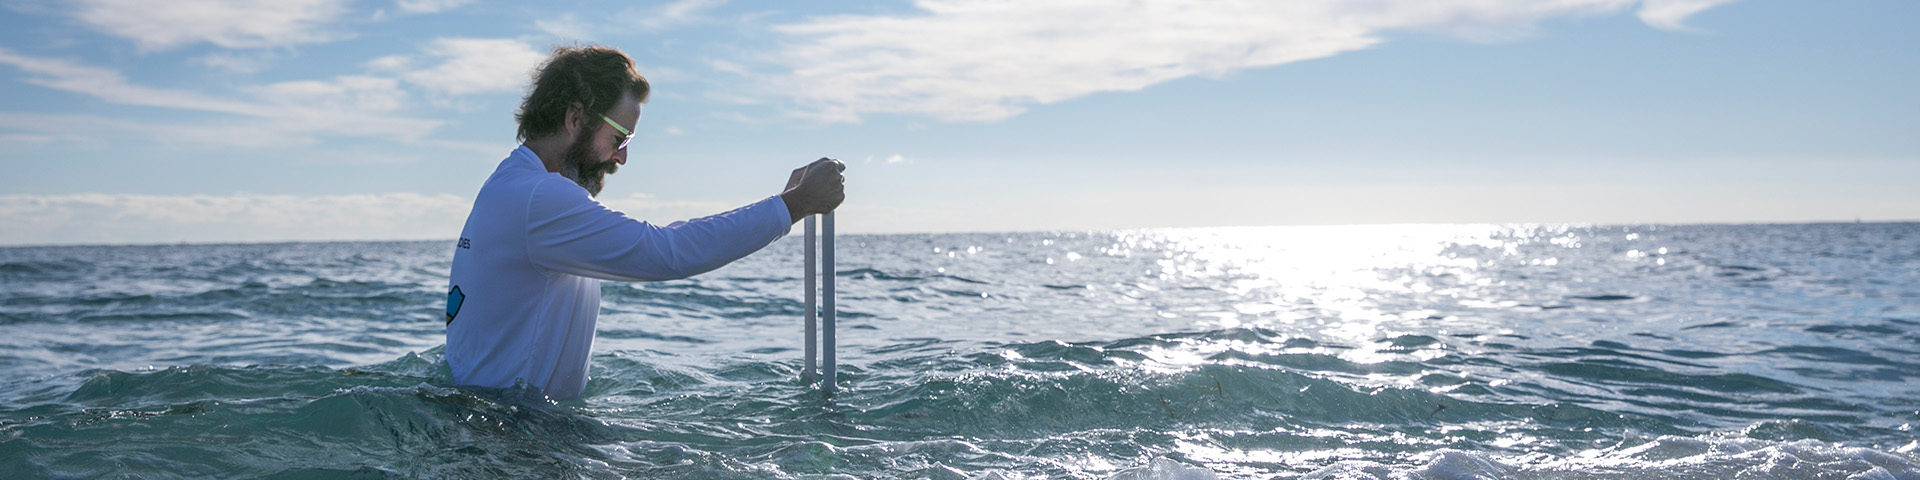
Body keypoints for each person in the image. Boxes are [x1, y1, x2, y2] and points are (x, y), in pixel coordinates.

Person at [443, 44, 845, 400]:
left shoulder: (511, 185)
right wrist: (793, 205)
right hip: (512, 437)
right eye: (620, 137)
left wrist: (790, 202)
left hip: (502, 424)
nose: (621, 158)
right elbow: (665, 252)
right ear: (575, 118)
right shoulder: (539, 198)